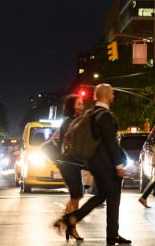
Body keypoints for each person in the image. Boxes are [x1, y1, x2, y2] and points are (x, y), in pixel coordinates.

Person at [58, 84, 130, 245]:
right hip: (107, 165)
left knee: (103, 196)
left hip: (94, 164)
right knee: (112, 199)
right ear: (106, 95)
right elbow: (110, 143)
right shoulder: (104, 115)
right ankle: (110, 235)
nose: (113, 96)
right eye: (112, 93)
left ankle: (110, 233)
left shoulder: (90, 113)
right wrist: (119, 166)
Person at [52, 95, 85, 240]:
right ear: (72, 106)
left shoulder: (72, 121)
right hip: (68, 163)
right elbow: (67, 144)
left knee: (75, 196)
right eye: (79, 103)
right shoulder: (70, 122)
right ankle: (67, 225)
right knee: (76, 196)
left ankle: (68, 225)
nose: (82, 106)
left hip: (70, 163)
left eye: (82, 103)